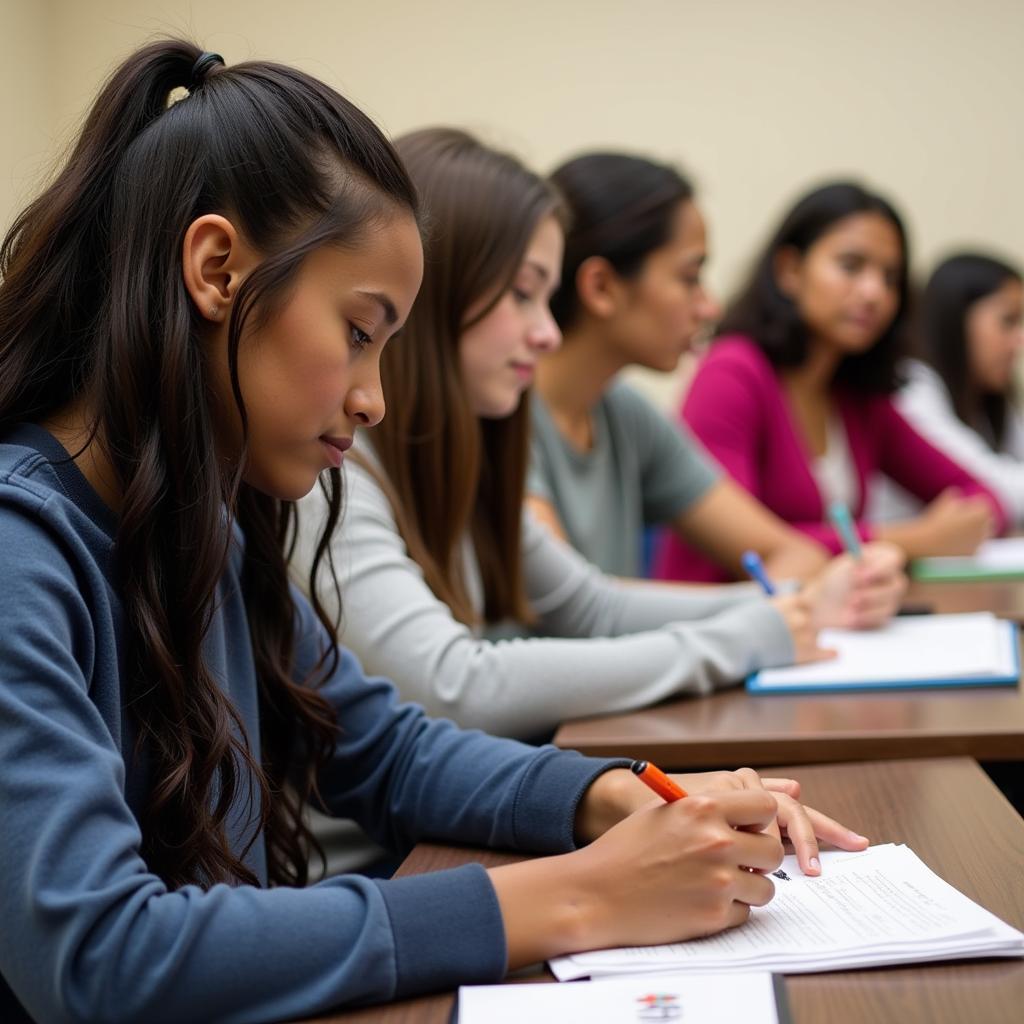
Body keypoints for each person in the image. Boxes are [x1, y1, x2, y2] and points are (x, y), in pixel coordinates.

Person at [0, 41, 867, 1023]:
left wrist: (616, 795)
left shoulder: (204, 523)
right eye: (360, 331)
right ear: (217, 270)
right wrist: (578, 893)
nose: (372, 398)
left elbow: (380, 749)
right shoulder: (21, 544)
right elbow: (97, 956)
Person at [294, 130, 892, 744]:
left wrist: (801, 602)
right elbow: (456, 686)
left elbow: (591, 607)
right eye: (523, 294)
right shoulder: (332, 474)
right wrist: (742, 639)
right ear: (435, 293)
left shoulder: (464, 452)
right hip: (404, 837)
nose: (547, 334)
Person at [530, 152, 905, 613]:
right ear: (602, 287)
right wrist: (779, 608)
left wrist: (806, 596)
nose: (709, 307)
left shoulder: (626, 412)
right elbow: (580, 611)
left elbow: (795, 554)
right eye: (690, 278)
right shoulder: (507, 418)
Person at [655, 182, 1008, 584]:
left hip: (824, 625)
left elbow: (983, 499)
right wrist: (916, 539)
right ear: (790, 270)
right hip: (722, 627)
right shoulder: (732, 373)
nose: (875, 292)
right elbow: (749, 549)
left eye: (890, 277)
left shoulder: (856, 396)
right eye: (851, 266)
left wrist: (950, 529)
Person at [876, 254, 1024, 525]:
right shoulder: (911, 389)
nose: (1019, 340)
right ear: (956, 319)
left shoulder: (990, 400)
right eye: (1008, 321)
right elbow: (996, 491)